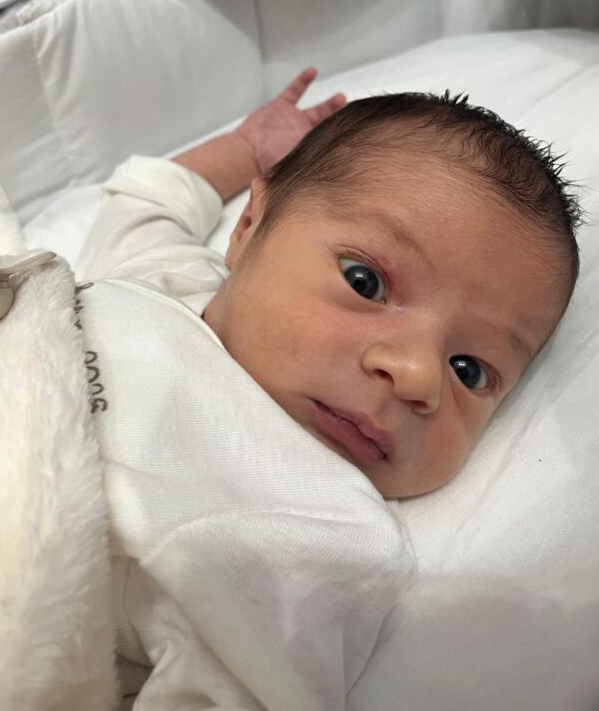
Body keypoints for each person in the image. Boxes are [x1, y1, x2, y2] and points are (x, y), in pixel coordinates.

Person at [75, 68, 581, 709]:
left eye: (469, 370)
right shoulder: (171, 276)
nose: (418, 375)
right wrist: (243, 149)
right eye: (365, 282)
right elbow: (146, 204)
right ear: (247, 226)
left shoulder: (311, 542)